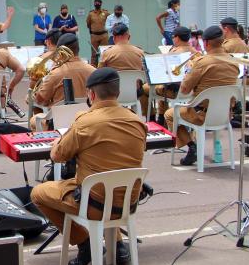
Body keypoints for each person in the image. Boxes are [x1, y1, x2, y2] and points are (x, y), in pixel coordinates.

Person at [31, 68, 146, 265]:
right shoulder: (137, 121)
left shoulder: (85, 122)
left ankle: (85, 243)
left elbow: (58, 156)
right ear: (117, 92)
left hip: (95, 205)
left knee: (39, 193)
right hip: (128, 203)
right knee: (107, 183)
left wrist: (59, 140)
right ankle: (117, 243)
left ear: (91, 94)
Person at [164, 26, 239, 166]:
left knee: (169, 114)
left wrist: (190, 72)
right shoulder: (233, 61)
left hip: (201, 115)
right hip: (225, 114)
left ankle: (192, 146)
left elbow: (185, 90)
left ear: (206, 43)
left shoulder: (202, 62)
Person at [32, 33, 95, 118]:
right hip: (88, 118)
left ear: (60, 52)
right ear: (78, 49)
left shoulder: (55, 73)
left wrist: (36, 83)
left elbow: (40, 100)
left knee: (33, 111)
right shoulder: (93, 71)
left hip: (60, 121)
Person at [98, 23, 147, 114]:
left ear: (114, 37)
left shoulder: (107, 53)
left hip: (113, 94)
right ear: (128, 36)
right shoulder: (140, 52)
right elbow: (145, 74)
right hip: (135, 93)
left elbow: (100, 73)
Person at [153, 26, 194, 124]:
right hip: (192, 92)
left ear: (177, 38)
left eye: (173, 37)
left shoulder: (174, 53)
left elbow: (164, 73)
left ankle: (157, 118)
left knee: (148, 87)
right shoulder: (196, 52)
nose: (172, 39)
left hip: (176, 91)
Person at [85, 0, 110, 66]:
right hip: (94, 36)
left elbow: (110, 21)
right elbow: (88, 24)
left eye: (98, 2)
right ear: (94, 4)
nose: (97, 4)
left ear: (101, 4)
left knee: (104, 52)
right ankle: (93, 68)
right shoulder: (91, 14)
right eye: (96, 2)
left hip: (104, 35)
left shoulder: (105, 13)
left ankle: (105, 67)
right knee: (94, 54)